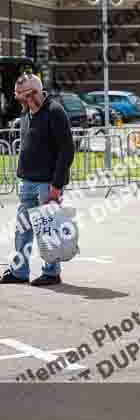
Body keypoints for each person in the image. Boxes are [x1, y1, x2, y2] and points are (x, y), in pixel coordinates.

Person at [1, 74, 74, 286]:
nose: (18, 101)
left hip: (47, 184)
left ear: (34, 93)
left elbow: (67, 150)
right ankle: (19, 271)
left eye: (21, 96)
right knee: (22, 230)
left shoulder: (54, 112)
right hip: (28, 183)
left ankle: (52, 272)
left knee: (48, 230)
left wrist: (57, 185)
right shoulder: (27, 113)